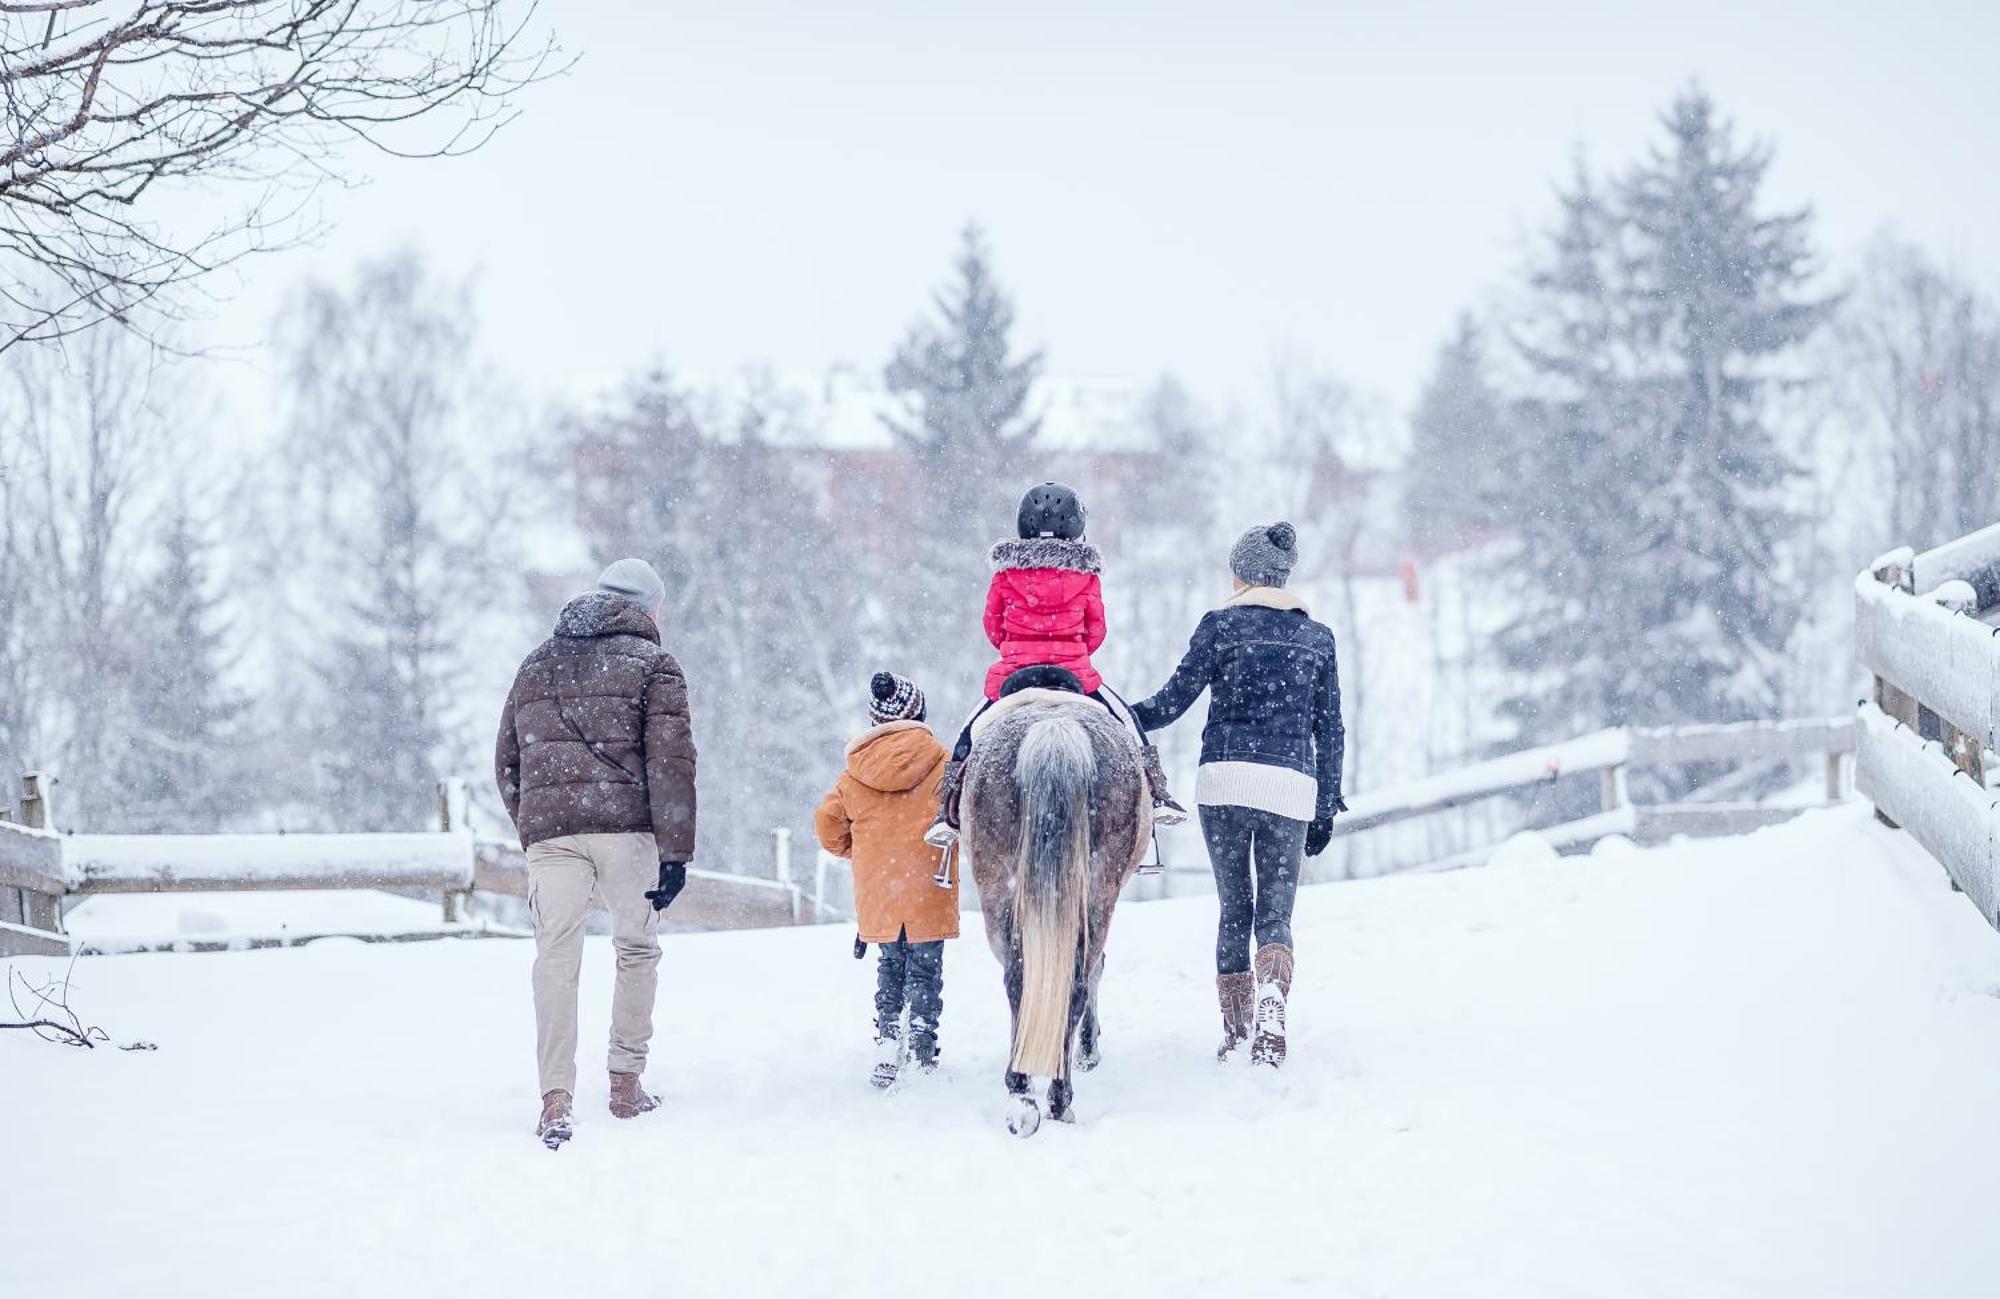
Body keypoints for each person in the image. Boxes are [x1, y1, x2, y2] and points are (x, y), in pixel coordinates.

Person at [495, 557, 697, 1149]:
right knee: (636, 949)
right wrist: (676, 851)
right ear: (649, 608)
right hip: (628, 831)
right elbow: (672, 763)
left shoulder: (536, 663)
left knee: (555, 959)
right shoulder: (655, 665)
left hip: (552, 837)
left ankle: (555, 1099)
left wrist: (535, 824)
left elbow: (506, 759)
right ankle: (625, 1084)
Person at [1131, 522, 1346, 1068]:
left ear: (1243, 574)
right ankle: (1273, 1002)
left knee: (1234, 907)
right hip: (1290, 787)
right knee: (1275, 914)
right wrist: (1326, 804)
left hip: (1224, 782)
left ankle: (1237, 1030)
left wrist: (1117, 711)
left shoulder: (1220, 626)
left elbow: (1171, 702)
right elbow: (1331, 728)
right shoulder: (1317, 638)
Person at [926, 481, 1185, 845]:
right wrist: (1072, 651)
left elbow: (992, 626)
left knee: (968, 734)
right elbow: (1097, 630)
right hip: (1075, 674)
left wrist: (1017, 649)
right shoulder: (1086, 576)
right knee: (1127, 722)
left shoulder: (1005, 575)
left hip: (1014, 676)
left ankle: (947, 811)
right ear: (1075, 526)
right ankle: (1157, 793)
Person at [813, 671, 957, 1089]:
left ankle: (888, 1036)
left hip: (880, 888)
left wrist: (860, 851)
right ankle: (922, 1043)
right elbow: (965, 814)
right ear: (919, 713)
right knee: (926, 969)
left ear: (875, 720)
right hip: (931, 881)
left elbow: (826, 824)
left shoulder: (855, 772)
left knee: (891, 963)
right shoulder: (944, 762)